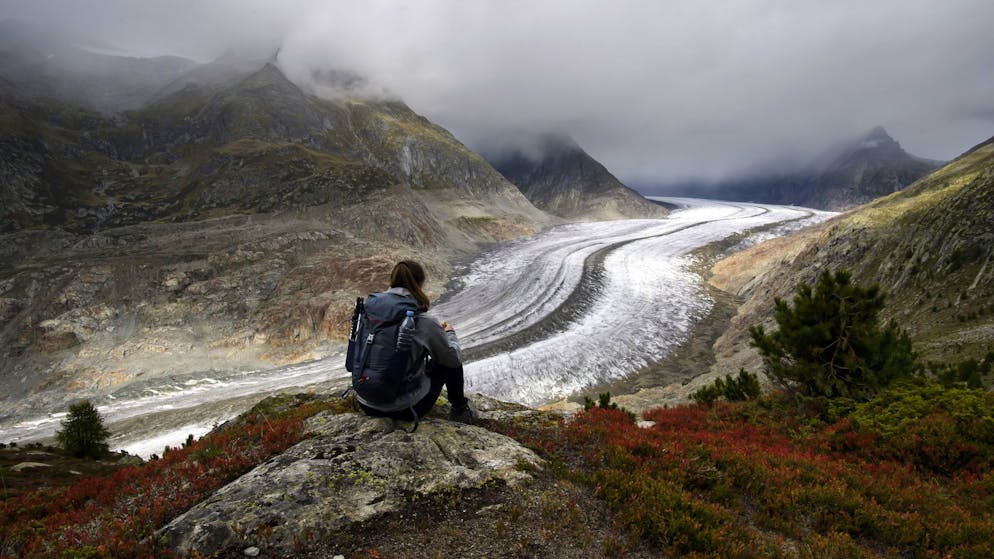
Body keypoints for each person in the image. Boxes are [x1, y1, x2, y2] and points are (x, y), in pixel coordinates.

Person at [355, 260, 479, 425]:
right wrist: (449, 333)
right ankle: (460, 410)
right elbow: (452, 359)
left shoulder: (370, 310)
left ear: (392, 281)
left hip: (366, 402)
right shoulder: (421, 319)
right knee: (448, 355)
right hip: (403, 409)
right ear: (420, 283)